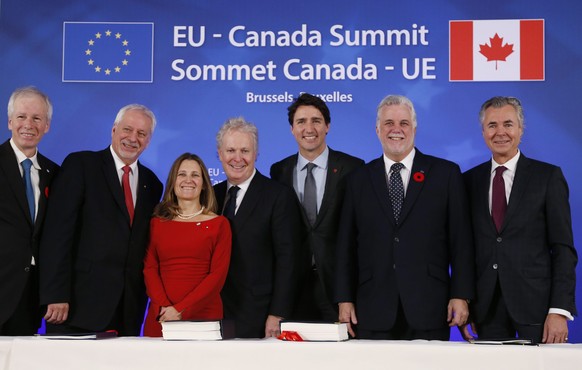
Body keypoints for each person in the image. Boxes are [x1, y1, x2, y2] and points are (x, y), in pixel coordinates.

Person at [335, 94, 474, 340]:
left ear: (414, 129)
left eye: (404, 123)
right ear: (377, 130)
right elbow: (345, 247)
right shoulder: (357, 180)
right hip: (372, 308)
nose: (396, 130)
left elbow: (461, 242)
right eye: (388, 123)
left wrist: (461, 295)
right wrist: (344, 298)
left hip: (430, 306)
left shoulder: (446, 175)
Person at [461, 96, 578, 344]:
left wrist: (559, 309)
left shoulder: (547, 177)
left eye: (508, 124)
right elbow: (465, 251)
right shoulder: (468, 181)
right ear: (483, 131)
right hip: (486, 310)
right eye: (492, 125)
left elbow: (563, 248)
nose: (500, 132)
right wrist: (466, 300)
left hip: (537, 307)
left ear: (521, 129)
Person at [39, 104, 163, 336]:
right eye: (127, 129)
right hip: (77, 305)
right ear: (114, 130)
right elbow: (57, 234)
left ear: (148, 140)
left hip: (128, 309)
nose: (133, 138)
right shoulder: (81, 165)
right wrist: (55, 294)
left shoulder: (152, 184)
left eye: (141, 133)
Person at [270, 93, 364, 321]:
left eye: (316, 120)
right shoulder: (279, 171)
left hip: (337, 289)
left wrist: (348, 294)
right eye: (301, 121)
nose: (308, 128)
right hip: (293, 288)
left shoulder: (353, 168)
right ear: (292, 128)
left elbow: (358, 234)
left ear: (327, 126)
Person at [213, 117, 302, 338]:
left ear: (256, 154)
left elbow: (288, 260)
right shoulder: (210, 196)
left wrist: (277, 313)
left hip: (259, 313)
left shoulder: (278, 195)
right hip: (213, 312)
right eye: (230, 150)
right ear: (219, 154)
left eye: (245, 150)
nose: (237, 158)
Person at [142, 153, 231, 337]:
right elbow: (150, 268)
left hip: (204, 317)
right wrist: (166, 307)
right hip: (162, 315)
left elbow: (217, 276)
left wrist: (180, 309)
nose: (188, 180)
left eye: (195, 175)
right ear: (173, 181)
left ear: (205, 183)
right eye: (182, 174)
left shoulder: (219, 225)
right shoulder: (156, 223)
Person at [0, 86, 59, 335]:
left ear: (46, 125)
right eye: (22, 116)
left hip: (29, 296)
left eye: (37, 118)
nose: (29, 124)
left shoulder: (55, 174)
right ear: (10, 121)